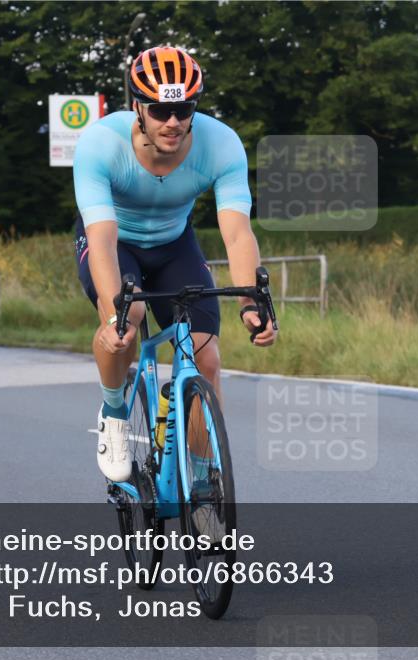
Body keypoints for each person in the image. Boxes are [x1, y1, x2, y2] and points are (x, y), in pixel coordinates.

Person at [72, 46, 277, 483]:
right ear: (137, 108)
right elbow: (103, 241)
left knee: (207, 358)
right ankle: (113, 412)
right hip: (115, 242)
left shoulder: (220, 143)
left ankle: (204, 484)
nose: (173, 122)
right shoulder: (100, 144)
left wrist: (250, 303)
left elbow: (238, 233)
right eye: (161, 110)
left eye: (183, 109)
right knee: (128, 322)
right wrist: (114, 314)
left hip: (174, 245)